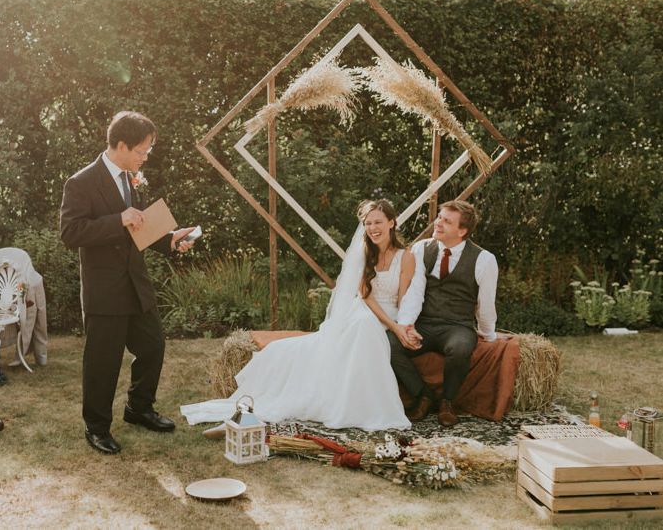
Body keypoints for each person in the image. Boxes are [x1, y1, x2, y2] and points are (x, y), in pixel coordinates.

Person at [181, 199, 416, 431]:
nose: (373, 228)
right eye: (368, 223)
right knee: (355, 327)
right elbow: (365, 296)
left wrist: (399, 327)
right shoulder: (365, 253)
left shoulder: (406, 256)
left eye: (378, 222)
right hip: (365, 310)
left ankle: (359, 403)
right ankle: (330, 400)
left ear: (392, 222)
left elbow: (404, 298)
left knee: (362, 328)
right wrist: (391, 328)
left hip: (389, 313)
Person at [60, 111, 195, 455]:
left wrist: (170, 239)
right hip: (104, 289)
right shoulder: (81, 182)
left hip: (136, 283)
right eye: (142, 150)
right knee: (102, 361)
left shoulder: (132, 178)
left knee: (153, 346)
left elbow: (138, 227)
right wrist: (117, 219)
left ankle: (139, 408)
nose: (145, 157)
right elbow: (70, 233)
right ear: (121, 145)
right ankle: (96, 426)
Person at [389, 199, 498, 427]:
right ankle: (423, 395)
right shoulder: (421, 249)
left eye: (446, 221)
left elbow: (485, 303)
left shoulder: (484, 260)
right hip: (425, 323)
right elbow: (415, 291)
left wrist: (488, 335)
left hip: (457, 325)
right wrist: (407, 326)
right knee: (389, 343)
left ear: (462, 231)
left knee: (460, 348)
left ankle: (447, 402)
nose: (437, 223)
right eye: (439, 217)